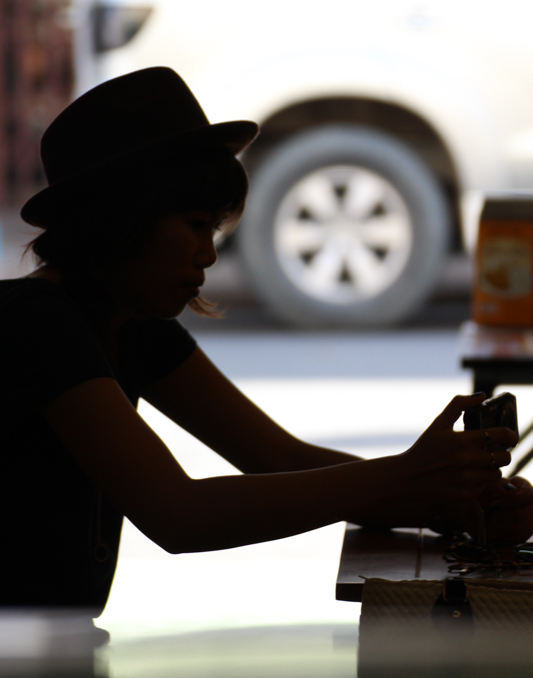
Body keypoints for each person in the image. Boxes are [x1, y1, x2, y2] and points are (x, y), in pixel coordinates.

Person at [1, 67, 531, 615]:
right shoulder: (36, 323)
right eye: (194, 225)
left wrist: (451, 505)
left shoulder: (127, 323)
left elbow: (277, 457)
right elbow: (178, 514)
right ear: (121, 222)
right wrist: (407, 477)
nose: (207, 255)